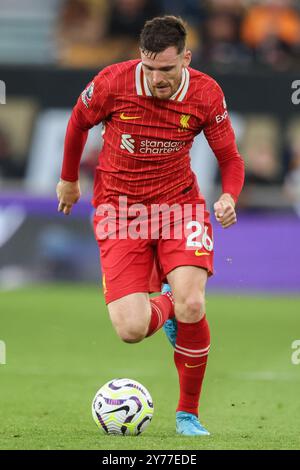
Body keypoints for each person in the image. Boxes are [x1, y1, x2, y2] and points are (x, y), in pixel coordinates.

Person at [56, 15, 244, 436]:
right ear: (141, 58)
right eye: (150, 67)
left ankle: (187, 414)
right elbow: (77, 124)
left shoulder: (206, 93)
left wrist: (229, 195)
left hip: (179, 208)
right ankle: (165, 304)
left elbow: (230, 158)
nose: (157, 78)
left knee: (192, 303)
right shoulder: (112, 83)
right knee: (131, 329)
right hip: (119, 214)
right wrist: (69, 180)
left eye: (167, 69)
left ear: (186, 60)